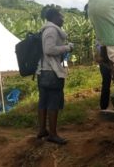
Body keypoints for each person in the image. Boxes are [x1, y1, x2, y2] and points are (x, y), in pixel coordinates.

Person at [36, 8, 74, 145]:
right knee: (53, 102)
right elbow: (49, 49)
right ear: (54, 17)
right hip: (51, 72)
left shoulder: (45, 30)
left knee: (43, 101)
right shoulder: (51, 30)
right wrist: (67, 48)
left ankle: (42, 130)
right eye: (61, 16)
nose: (63, 19)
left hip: (43, 72)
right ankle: (52, 134)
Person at [94, 41, 113, 109]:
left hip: (112, 60)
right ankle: (104, 106)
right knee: (106, 83)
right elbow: (98, 48)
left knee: (109, 83)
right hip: (106, 62)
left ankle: (105, 106)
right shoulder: (101, 36)